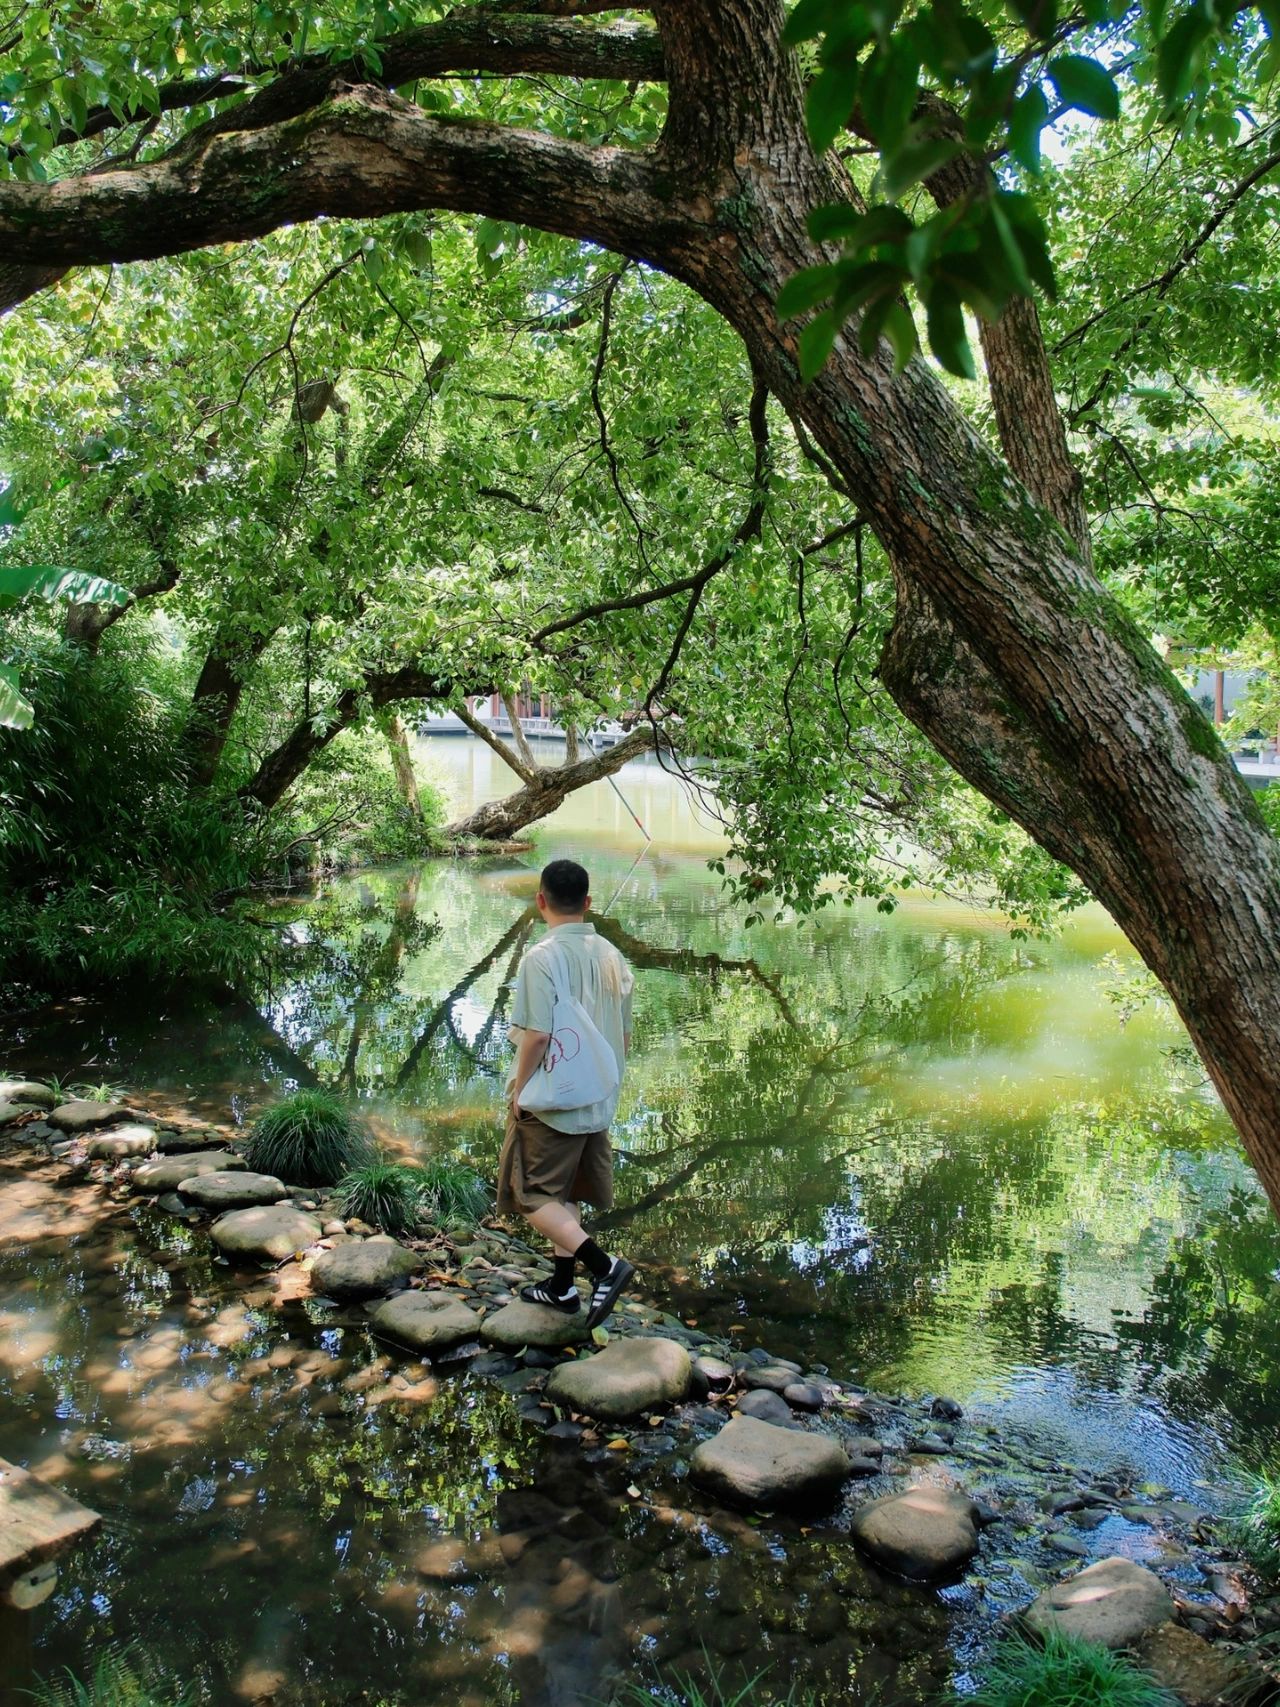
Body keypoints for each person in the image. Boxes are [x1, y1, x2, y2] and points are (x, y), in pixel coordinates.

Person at [497, 857, 636, 1328]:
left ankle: (603, 1267)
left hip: (554, 1100)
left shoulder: (541, 958)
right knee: (566, 1191)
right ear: (588, 903)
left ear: (540, 902)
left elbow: (536, 1035)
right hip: (598, 1095)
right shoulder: (613, 955)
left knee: (531, 1193)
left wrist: (520, 1088)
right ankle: (561, 1288)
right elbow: (625, 1036)